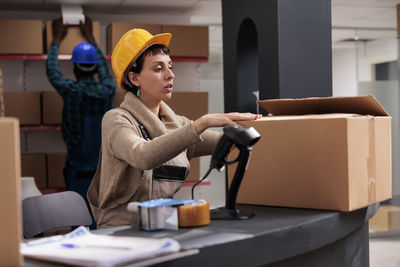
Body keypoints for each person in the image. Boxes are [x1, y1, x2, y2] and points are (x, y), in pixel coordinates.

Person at [87, 28, 261, 229]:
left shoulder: (178, 124)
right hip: (120, 231)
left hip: (163, 227)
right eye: (158, 68)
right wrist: (201, 123)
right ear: (135, 78)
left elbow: (226, 144)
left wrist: (258, 127)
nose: (170, 75)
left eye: (170, 66)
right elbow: (143, 155)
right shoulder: (117, 120)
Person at [46, 16, 116, 221]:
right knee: (103, 220)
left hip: (78, 171)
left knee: (78, 222)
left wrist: (56, 40)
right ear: (94, 67)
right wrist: (91, 38)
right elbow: (104, 71)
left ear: (75, 67)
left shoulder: (70, 90)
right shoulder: (108, 90)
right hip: (105, 171)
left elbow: (52, 72)